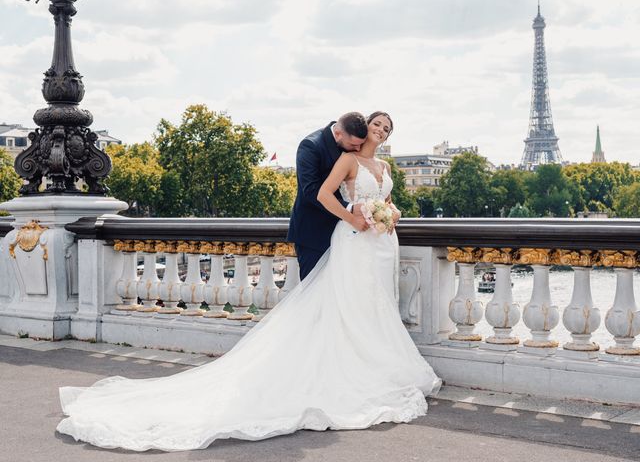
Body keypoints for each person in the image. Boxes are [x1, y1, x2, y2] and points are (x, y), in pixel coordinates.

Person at [55, 112, 441, 452]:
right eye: (374, 127)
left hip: (373, 244)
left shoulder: (380, 165)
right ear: (344, 133)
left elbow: (376, 198)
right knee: (328, 305)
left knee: (366, 306)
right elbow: (313, 193)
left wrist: (384, 212)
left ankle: (353, 363)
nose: (378, 133)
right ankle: (314, 367)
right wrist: (353, 216)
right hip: (327, 233)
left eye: (385, 129)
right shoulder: (316, 148)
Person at [287, 112, 370, 280]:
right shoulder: (310, 145)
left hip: (344, 234)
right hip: (314, 233)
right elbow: (310, 190)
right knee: (313, 292)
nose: (358, 149)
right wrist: (350, 208)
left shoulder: (349, 144)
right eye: (353, 145)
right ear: (338, 133)